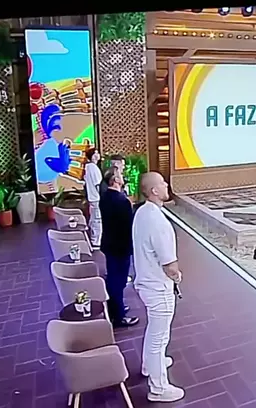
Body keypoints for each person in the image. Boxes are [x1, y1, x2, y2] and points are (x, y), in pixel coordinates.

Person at [132, 172, 184, 403]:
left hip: (146, 283)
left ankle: (150, 364)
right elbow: (169, 264)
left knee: (155, 333)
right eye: (162, 183)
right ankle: (159, 387)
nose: (166, 185)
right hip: (158, 288)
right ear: (154, 191)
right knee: (158, 336)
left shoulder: (142, 213)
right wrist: (177, 276)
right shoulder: (158, 222)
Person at [99, 167, 139, 327]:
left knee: (113, 278)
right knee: (118, 281)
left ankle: (115, 308)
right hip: (120, 246)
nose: (123, 177)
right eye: (120, 175)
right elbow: (129, 226)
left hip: (109, 244)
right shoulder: (122, 201)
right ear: (115, 180)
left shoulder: (105, 197)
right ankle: (119, 316)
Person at [83, 148, 103, 248]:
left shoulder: (87, 167)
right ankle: (96, 241)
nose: (98, 155)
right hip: (96, 198)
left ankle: (94, 238)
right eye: (96, 153)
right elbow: (98, 184)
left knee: (94, 218)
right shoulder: (93, 168)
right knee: (97, 220)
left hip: (92, 198)